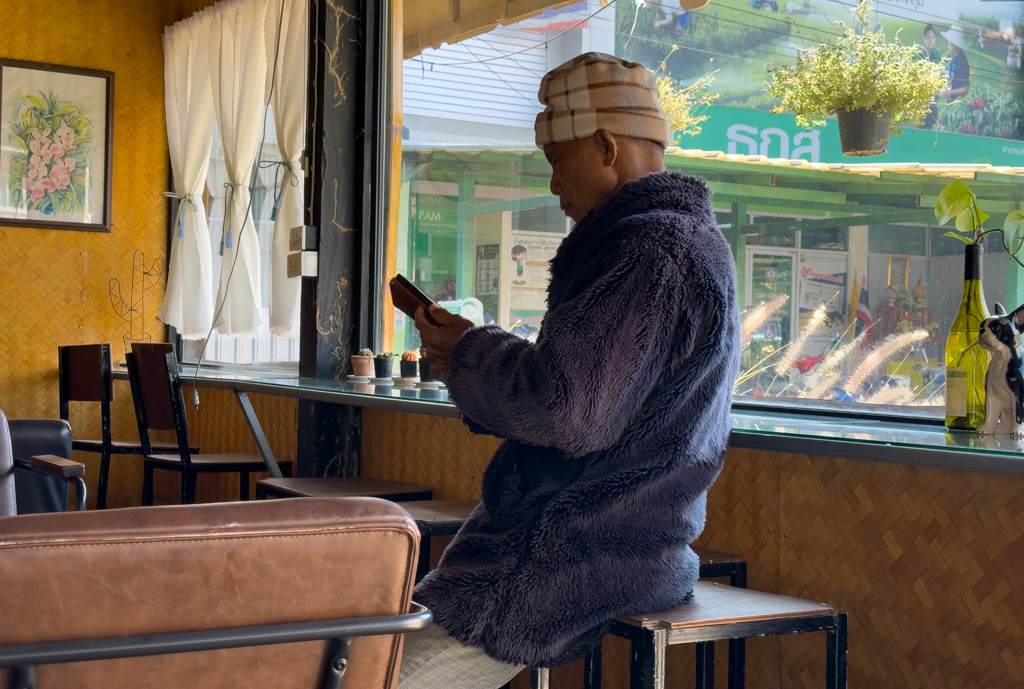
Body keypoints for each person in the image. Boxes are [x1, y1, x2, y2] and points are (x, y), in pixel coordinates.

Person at [400, 52, 739, 688]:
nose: (553, 185)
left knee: (367, 676)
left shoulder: (651, 248)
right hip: (617, 541)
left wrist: (470, 353)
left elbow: (568, 410)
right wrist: (473, 354)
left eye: (558, 162)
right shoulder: (675, 243)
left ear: (607, 146)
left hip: (579, 552)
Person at [919, 24, 941, 129]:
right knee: (920, 129)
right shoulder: (919, 56)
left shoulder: (939, 56)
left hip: (933, 103)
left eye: (932, 37)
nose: (930, 40)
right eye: (928, 37)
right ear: (924, 38)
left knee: (930, 128)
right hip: (920, 102)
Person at [941, 25, 970, 102]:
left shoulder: (962, 62)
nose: (948, 43)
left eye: (950, 41)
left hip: (957, 102)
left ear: (955, 43)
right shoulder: (953, 56)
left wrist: (949, 92)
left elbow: (965, 89)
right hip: (950, 99)